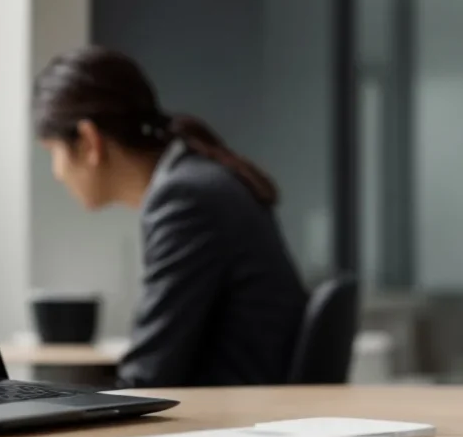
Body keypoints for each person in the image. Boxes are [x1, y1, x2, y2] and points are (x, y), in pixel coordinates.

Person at [33, 46, 306, 388]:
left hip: (221, 421)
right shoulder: (196, 179)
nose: (56, 173)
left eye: (53, 153)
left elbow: (148, 376)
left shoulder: (186, 199)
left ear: (89, 141)